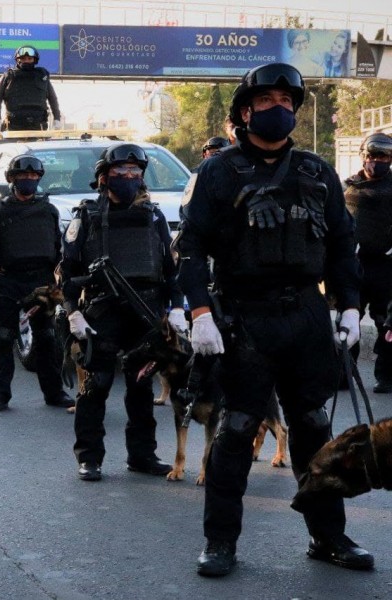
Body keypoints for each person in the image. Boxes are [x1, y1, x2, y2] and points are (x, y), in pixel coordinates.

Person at [176, 62, 373, 577]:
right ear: (245, 112)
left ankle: (329, 537)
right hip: (245, 315)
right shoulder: (217, 172)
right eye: (267, 102)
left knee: (315, 427)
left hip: (307, 315)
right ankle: (220, 542)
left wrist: (350, 305)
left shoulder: (316, 171)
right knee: (237, 430)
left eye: (287, 101)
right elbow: (191, 248)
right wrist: (199, 313)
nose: (279, 109)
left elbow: (341, 245)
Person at [59, 143, 184, 481]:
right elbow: (67, 274)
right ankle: (89, 457)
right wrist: (74, 313)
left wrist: (176, 308)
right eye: (120, 172)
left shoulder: (153, 215)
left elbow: (171, 268)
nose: (129, 178)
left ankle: (142, 455)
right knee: (95, 385)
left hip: (146, 311)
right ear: (103, 177)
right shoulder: (85, 217)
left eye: (135, 173)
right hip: (103, 311)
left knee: (140, 384)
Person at [0, 154, 73, 412]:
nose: (28, 180)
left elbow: (58, 248)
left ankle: (54, 393)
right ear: (11, 179)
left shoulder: (49, 210)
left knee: (47, 338)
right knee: (4, 338)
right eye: (22, 176)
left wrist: (61, 278)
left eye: (32, 176)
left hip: (42, 280)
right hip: (9, 279)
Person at [344, 132, 392, 393]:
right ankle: (344, 374)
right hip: (355, 265)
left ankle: (386, 376)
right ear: (364, 157)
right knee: (348, 318)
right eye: (372, 156)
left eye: (382, 156)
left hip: (387, 266)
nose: (376, 161)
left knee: (387, 323)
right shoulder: (349, 188)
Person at [0, 46, 61, 132]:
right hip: (13, 126)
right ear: (18, 60)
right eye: (23, 59)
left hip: (38, 125)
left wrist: (57, 118)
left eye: (29, 58)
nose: (26, 61)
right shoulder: (8, 76)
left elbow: (52, 98)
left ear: (34, 60)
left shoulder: (42, 76)